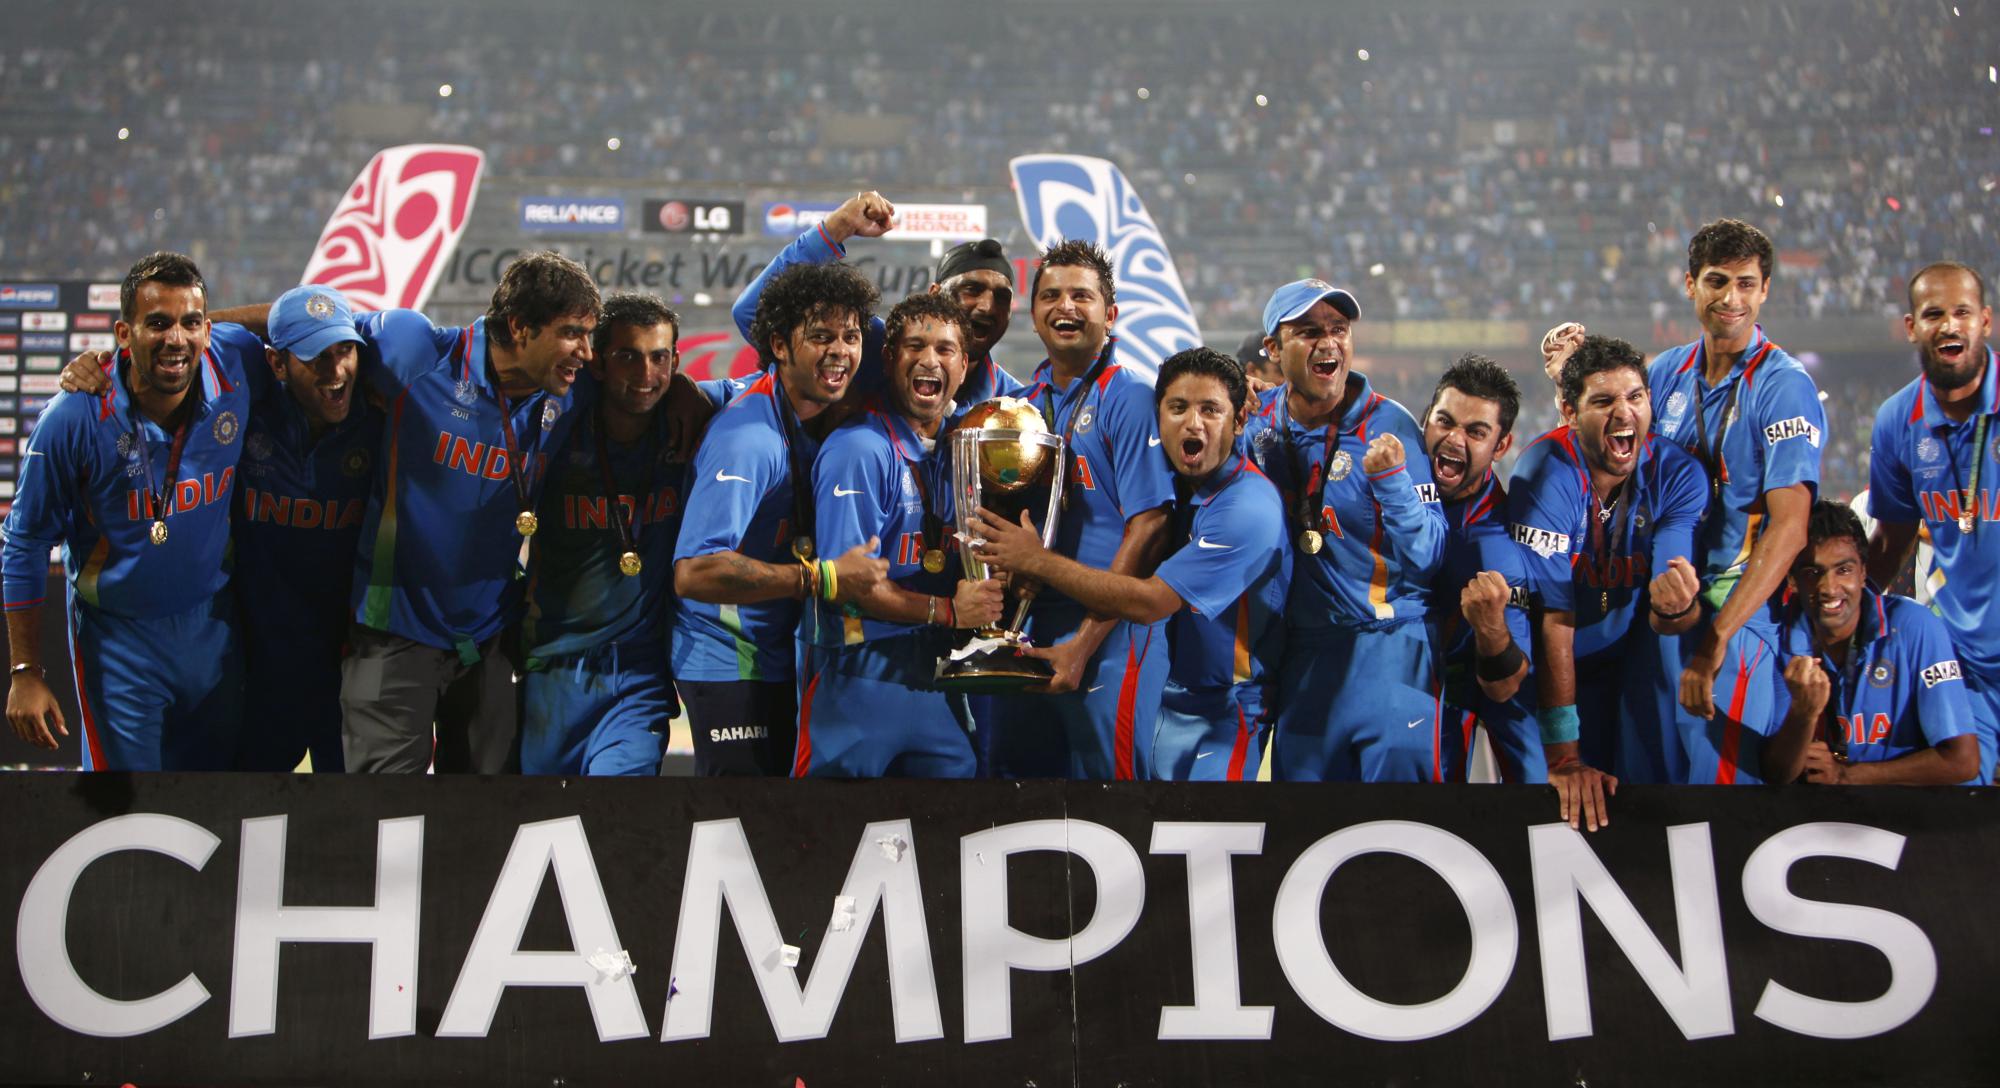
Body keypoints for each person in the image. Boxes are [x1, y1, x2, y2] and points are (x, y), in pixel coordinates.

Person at [1542, 219, 1824, 785]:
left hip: (1731, 615)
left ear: (1765, 289)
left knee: (1720, 801)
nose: (1732, 299)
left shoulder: (1781, 385)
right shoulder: (1667, 372)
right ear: (1690, 284)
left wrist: (1716, 642)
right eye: (1718, 281)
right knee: (1647, 785)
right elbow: (1613, 454)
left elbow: (1790, 527)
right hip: (1660, 609)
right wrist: (1570, 382)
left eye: (1747, 284)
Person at [339, 250, 601, 773]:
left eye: (590, 335)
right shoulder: (414, 351)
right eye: (572, 332)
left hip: (488, 644)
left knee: (486, 827)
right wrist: (207, 331)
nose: (586, 353)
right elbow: (312, 318)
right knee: (384, 824)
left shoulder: (571, 391)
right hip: (392, 635)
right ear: (521, 328)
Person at [975, 347, 1285, 781]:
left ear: (1238, 421)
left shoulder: (1247, 507)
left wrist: (1037, 561)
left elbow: (1151, 602)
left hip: (1222, 710)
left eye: (1210, 410)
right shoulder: (1180, 479)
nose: (1193, 423)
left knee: (1201, 837)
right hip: (1161, 695)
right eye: (1178, 408)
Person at [3, 252, 256, 769]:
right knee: (126, 813)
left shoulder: (235, 363)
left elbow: (290, 318)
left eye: (190, 324)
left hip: (213, 630)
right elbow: (25, 540)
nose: (175, 340)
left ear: (208, 329)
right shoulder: (74, 417)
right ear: (124, 333)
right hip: (119, 644)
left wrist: (198, 326)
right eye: (156, 324)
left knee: (217, 807)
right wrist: (26, 670)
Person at [673, 262, 889, 775]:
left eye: (851, 336)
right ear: (779, 344)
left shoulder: (813, 411)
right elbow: (695, 572)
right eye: (820, 336)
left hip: (780, 654)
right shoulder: (747, 441)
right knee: (740, 825)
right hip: (729, 659)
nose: (840, 351)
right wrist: (824, 577)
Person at [1243, 279, 1447, 782]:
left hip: (1391, 649)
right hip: (1305, 657)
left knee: (1403, 829)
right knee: (1307, 832)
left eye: (1338, 328)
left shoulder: (1391, 425)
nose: (1328, 342)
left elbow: (1430, 556)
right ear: (1273, 348)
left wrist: (1393, 485)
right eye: (1309, 331)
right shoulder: (1256, 426)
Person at [793, 293, 1005, 778]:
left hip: (940, 681)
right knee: (827, 841)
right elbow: (847, 586)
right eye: (914, 346)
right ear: (889, 358)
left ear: (965, 363)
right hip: (857, 675)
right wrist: (950, 610)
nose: (930, 360)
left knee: (946, 841)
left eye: (946, 350)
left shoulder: (968, 448)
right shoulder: (859, 450)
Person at [987, 240, 1175, 780]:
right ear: (1033, 312)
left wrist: (1084, 643)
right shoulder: (1022, 406)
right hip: (1031, 629)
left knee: (1110, 800)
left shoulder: (1130, 396)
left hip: (1109, 636)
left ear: (1109, 315)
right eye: (1050, 295)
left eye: (1081, 296)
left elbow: (1152, 525)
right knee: (1021, 793)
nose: (1064, 307)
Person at [1507, 336, 1709, 829]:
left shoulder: (1678, 473)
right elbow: (1553, 617)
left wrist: (1677, 607)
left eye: (1635, 397)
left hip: (1627, 654)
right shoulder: (1545, 471)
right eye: (1603, 401)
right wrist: (1564, 757)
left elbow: (1670, 600)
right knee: (1554, 803)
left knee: (1647, 795)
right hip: (1549, 661)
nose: (1624, 413)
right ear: (1570, 414)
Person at [516, 293, 695, 776]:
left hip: (639, 675)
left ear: (676, 362)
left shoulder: (693, 428)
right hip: (552, 668)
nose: (645, 375)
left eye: (659, 358)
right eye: (627, 357)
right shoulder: (558, 427)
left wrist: (687, 390)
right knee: (543, 822)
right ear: (597, 363)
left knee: (618, 815)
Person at [233, 286, 381, 772]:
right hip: (259, 664)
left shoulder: (380, 415)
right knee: (248, 814)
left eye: (344, 351)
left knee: (354, 822)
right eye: (316, 357)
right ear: (277, 364)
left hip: (349, 664)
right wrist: (115, 354)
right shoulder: (244, 405)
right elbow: (189, 336)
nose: (336, 371)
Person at [1865, 261, 2000, 783]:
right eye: (1934, 314)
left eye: (1962, 312)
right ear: (1911, 327)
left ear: (1984, 321)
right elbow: (1893, 539)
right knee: (1965, 808)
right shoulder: (1898, 420)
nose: (1949, 326)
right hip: (1963, 661)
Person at [732, 190, 1026, 406]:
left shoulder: (1012, 403)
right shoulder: (875, 347)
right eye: (971, 290)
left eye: (1001, 297)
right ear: (935, 293)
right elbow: (752, 312)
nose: (987, 306)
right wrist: (837, 228)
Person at [1765, 500, 1979, 784]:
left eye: (1843, 570)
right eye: (1812, 573)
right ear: (1791, 579)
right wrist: (1803, 716)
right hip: (1811, 818)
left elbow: (1962, 761)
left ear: (1864, 572)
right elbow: (1775, 775)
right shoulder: (1774, 638)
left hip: (1906, 817)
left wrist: (1846, 775)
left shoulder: (1916, 627)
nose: (1829, 588)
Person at [1419, 353, 1537, 785]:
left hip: (1448, 699)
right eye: (1445, 421)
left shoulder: (1499, 549)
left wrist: (1490, 629)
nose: (1453, 439)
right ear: (1425, 418)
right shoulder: (1388, 477)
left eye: (1475, 432)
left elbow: (1507, 684)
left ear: (1501, 446)